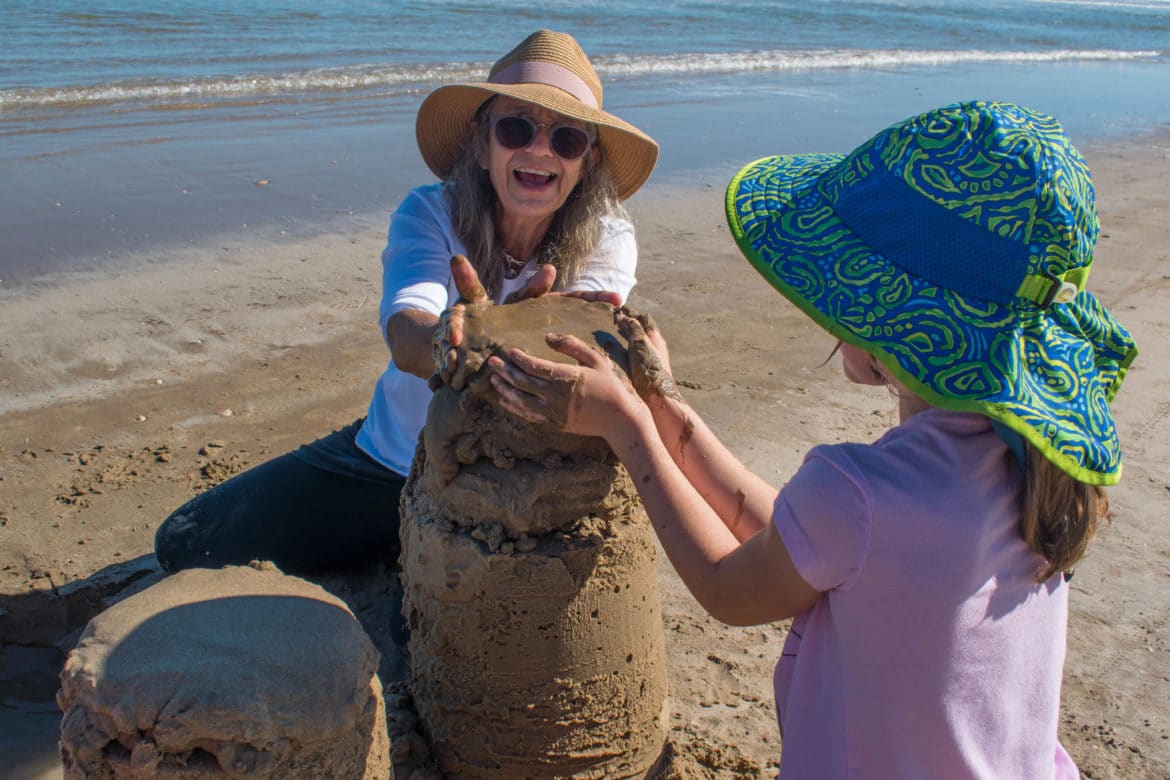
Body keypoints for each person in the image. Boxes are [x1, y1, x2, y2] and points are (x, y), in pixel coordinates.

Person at [486, 100, 1137, 777]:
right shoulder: (1030, 465)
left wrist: (626, 428)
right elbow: (807, 541)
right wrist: (663, 406)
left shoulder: (861, 492)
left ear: (882, 318)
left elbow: (728, 588)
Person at [153, 29, 659, 573]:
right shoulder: (430, 213)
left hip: (513, 478)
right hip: (388, 460)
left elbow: (579, 349)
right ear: (480, 143)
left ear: (587, 160)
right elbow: (406, 331)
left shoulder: (606, 236)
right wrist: (454, 341)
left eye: (566, 139)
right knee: (184, 542)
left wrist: (509, 337)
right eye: (515, 127)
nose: (538, 149)